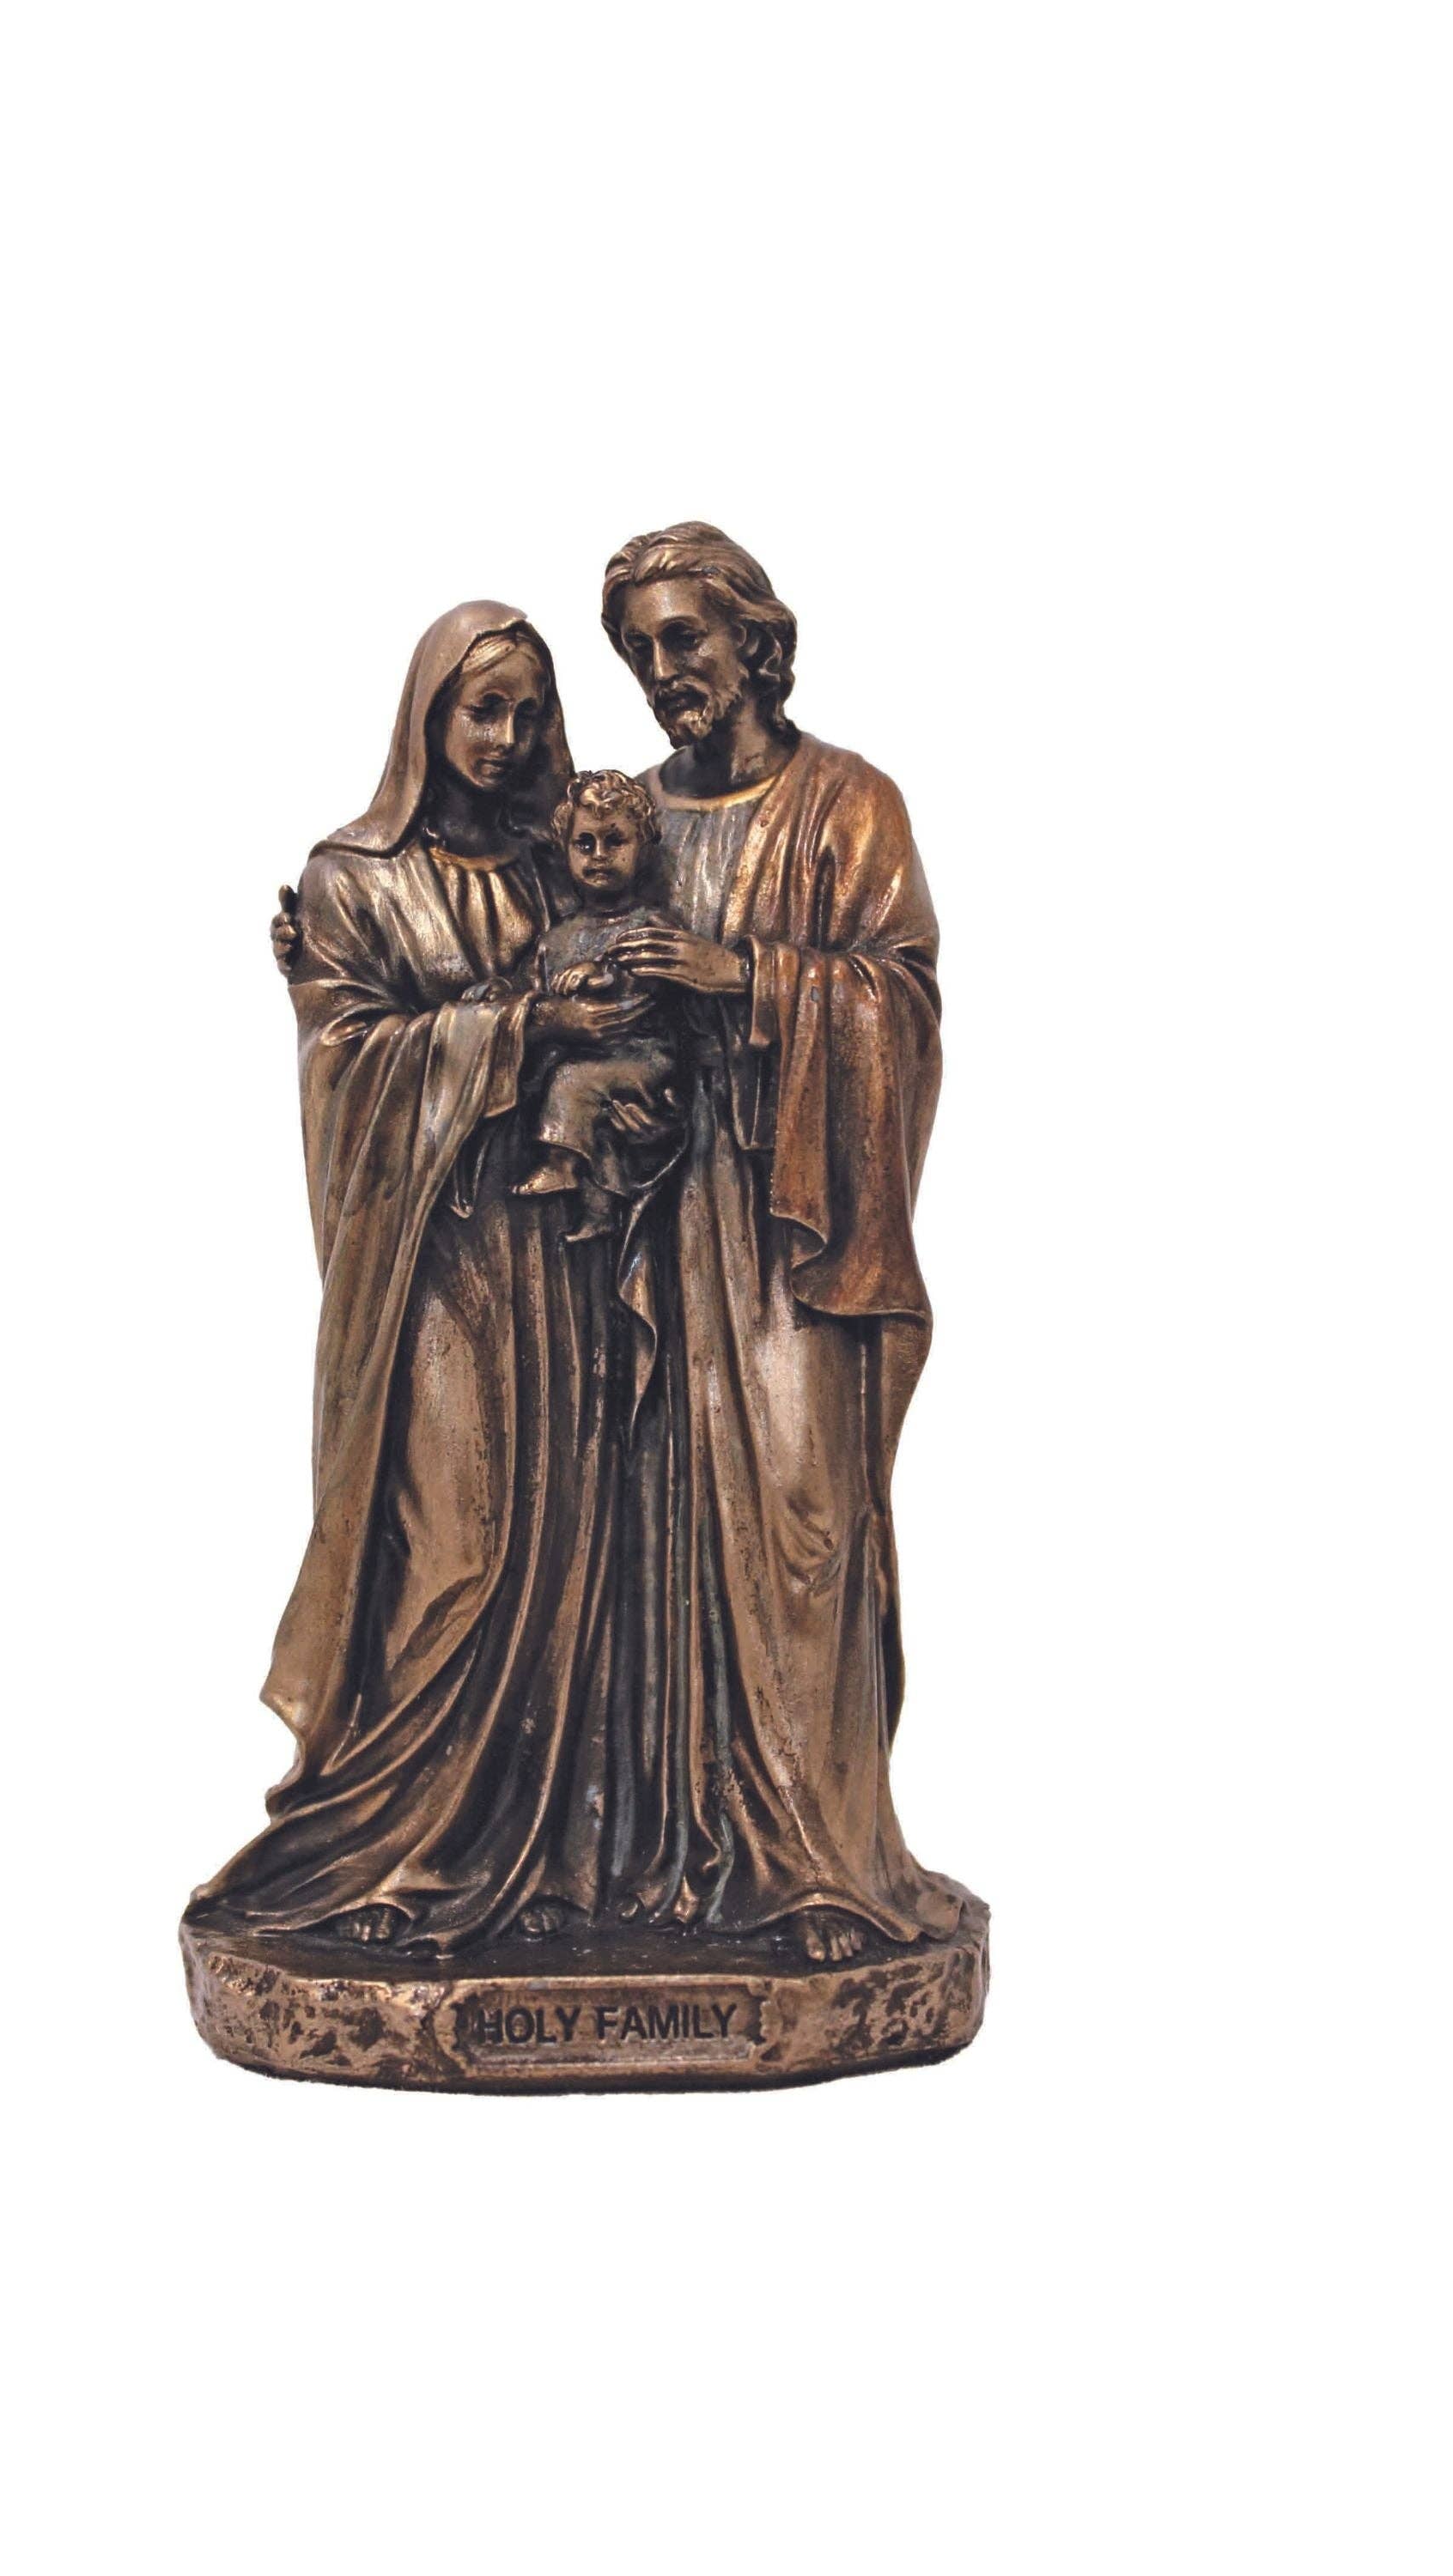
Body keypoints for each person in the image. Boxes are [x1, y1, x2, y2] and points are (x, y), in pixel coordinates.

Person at [187, 603, 655, 1952]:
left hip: (563, 1255)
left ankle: (556, 1858)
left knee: (574, 1542)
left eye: (526, 712)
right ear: (427, 714)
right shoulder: (355, 880)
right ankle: (401, 1848)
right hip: (436, 1265)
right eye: (479, 709)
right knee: (457, 1546)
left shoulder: (565, 861)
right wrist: (525, 1025)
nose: (505, 738)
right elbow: (349, 1064)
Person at [596, 523, 970, 1963]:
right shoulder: (618, 812)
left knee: (804, 1525)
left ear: (756, 641)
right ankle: (664, 1864)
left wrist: (742, 979)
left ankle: (814, 1865)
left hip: (796, 1238)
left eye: (684, 638)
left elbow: (903, 1005)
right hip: (643, 1236)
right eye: (639, 649)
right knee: (651, 1535)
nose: (662, 671)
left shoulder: (848, 807)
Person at [508, 769, 684, 1240]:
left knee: (573, 1082)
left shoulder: (651, 925)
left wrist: (601, 973)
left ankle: (561, 1165)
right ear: (564, 850)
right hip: (592, 1063)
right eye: (584, 844)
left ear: (643, 847)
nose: (599, 855)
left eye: (615, 841)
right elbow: (532, 992)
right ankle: (598, 1213)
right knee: (593, 1118)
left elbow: (652, 980)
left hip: (645, 1060)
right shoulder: (558, 938)